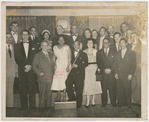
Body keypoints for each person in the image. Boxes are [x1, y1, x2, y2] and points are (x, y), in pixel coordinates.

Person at [14, 30, 38, 109]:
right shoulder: (16, 46)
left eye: (26, 34)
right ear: (21, 35)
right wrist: (25, 66)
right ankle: (24, 107)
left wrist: (30, 66)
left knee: (32, 88)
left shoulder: (35, 45)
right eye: (23, 35)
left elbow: (35, 58)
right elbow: (17, 58)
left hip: (31, 70)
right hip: (22, 70)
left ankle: (32, 107)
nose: (25, 36)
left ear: (29, 35)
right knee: (22, 89)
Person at [115, 38, 136, 109]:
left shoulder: (131, 53)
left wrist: (131, 74)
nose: (122, 44)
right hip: (119, 74)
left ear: (126, 44)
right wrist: (116, 73)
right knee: (120, 89)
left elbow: (133, 65)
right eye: (120, 43)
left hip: (127, 74)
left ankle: (128, 104)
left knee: (127, 89)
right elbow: (116, 64)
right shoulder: (118, 53)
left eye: (123, 43)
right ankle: (121, 103)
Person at [66, 41, 88, 108]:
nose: (76, 46)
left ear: (79, 45)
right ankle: (72, 97)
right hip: (72, 73)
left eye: (77, 45)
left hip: (80, 74)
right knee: (67, 83)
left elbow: (86, 64)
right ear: (73, 45)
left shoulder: (83, 54)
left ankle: (79, 104)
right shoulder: (70, 53)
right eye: (74, 45)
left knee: (79, 89)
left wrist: (78, 65)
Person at [33, 41, 55, 108]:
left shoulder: (50, 54)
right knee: (42, 94)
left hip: (50, 77)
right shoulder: (37, 55)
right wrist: (39, 73)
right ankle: (42, 111)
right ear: (41, 46)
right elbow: (34, 66)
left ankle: (48, 109)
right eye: (43, 45)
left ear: (48, 46)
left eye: (46, 45)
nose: (45, 47)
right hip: (42, 77)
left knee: (49, 94)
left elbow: (53, 64)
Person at [96, 38, 117, 107]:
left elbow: (115, 62)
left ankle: (113, 102)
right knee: (104, 88)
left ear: (109, 43)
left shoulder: (114, 51)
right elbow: (98, 62)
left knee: (112, 88)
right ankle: (104, 103)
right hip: (103, 73)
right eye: (104, 43)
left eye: (106, 42)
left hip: (111, 72)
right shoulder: (99, 52)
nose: (105, 44)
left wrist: (110, 69)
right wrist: (104, 69)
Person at [51, 35, 71, 102]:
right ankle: (58, 94)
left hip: (65, 65)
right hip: (58, 65)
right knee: (57, 79)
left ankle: (64, 94)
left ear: (64, 40)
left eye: (62, 39)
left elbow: (70, 57)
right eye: (60, 40)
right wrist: (54, 64)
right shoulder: (55, 47)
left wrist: (68, 66)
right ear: (58, 41)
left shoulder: (67, 47)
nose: (61, 41)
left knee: (64, 79)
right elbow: (53, 57)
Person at [83, 38, 102, 107]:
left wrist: (99, 68)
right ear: (86, 44)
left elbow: (99, 60)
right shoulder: (84, 52)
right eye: (88, 43)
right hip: (87, 69)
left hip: (94, 68)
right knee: (88, 84)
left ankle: (93, 100)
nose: (90, 44)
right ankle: (88, 101)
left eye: (91, 43)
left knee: (94, 84)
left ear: (93, 44)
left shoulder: (96, 51)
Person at [6, 33, 18, 107]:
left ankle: (10, 106)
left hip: (12, 72)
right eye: (6, 37)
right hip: (3, 73)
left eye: (10, 37)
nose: (9, 39)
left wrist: (16, 71)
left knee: (10, 89)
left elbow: (15, 60)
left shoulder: (13, 47)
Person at [129, 32, 141, 104]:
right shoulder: (130, 46)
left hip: (139, 68)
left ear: (137, 36)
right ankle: (135, 100)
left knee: (139, 84)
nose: (133, 38)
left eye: (134, 36)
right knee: (133, 84)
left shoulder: (141, 45)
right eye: (132, 37)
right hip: (132, 68)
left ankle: (141, 100)